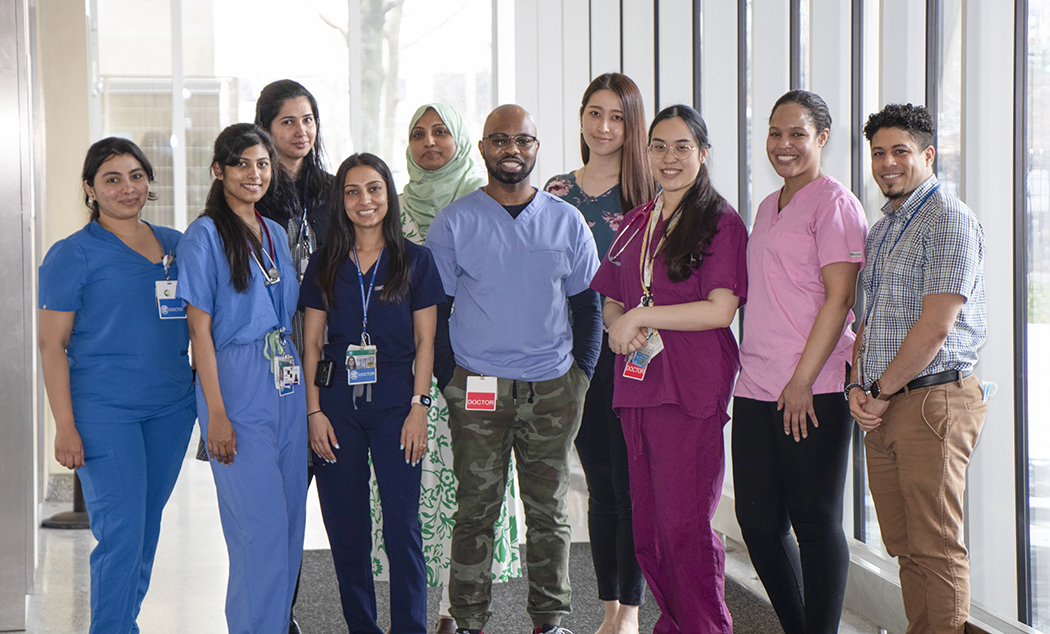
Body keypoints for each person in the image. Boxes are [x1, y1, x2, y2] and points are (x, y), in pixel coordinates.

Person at [425, 104, 602, 634]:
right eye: (499, 141)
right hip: (477, 387)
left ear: (536, 148)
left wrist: (579, 377)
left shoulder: (566, 219)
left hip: (552, 388)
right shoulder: (455, 221)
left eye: (522, 141)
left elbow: (588, 305)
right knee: (476, 509)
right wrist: (448, 379)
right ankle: (470, 620)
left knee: (548, 512)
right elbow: (433, 311)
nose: (511, 150)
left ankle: (549, 621)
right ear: (482, 149)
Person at [590, 104, 748, 634]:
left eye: (683, 146)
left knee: (684, 525)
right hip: (638, 386)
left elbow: (720, 309)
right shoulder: (636, 222)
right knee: (648, 529)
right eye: (659, 146)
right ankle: (677, 624)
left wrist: (640, 314)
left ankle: (707, 627)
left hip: (690, 387)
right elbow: (612, 298)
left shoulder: (720, 222)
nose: (669, 157)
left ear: (703, 154)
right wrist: (618, 324)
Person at [38, 137, 196, 634]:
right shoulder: (73, 254)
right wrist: (65, 426)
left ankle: (122, 624)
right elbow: (51, 345)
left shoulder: (176, 245)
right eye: (112, 178)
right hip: (105, 413)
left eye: (136, 176)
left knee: (144, 532)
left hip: (171, 410)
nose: (127, 188)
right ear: (90, 189)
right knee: (122, 533)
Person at [732, 90, 868, 634]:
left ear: (822, 139)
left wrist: (803, 379)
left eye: (797, 134)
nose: (784, 145)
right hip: (756, 384)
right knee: (759, 525)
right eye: (775, 134)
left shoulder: (835, 203)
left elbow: (840, 298)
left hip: (815, 388)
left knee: (814, 523)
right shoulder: (768, 206)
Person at [848, 103, 987, 634]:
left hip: (933, 401)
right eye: (878, 152)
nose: (887, 162)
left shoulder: (947, 219)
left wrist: (880, 390)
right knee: (904, 545)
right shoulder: (883, 229)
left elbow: (936, 327)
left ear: (928, 155)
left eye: (900, 151)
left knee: (936, 545)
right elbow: (872, 319)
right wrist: (857, 385)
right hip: (883, 403)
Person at [300, 152, 445, 634]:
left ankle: (410, 627)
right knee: (347, 530)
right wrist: (314, 412)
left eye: (375, 189)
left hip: (396, 409)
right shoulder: (324, 263)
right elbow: (313, 343)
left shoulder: (416, 260)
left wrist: (419, 408)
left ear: (389, 194)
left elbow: (427, 341)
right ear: (341, 201)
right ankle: (361, 626)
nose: (366, 200)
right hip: (336, 409)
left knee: (402, 529)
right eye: (353, 191)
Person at [396, 102, 523, 634]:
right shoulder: (391, 207)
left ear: (462, 139)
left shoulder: (488, 201)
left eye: (442, 131)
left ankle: (456, 609)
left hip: (479, 370)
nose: (430, 142)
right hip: (408, 373)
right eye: (419, 134)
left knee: (474, 487)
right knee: (416, 489)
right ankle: (413, 606)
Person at [177, 123, 307, 634]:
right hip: (234, 380)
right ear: (219, 171)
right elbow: (199, 333)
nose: (255, 174)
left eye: (262, 164)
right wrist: (215, 416)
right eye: (242, 164)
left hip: (286, 377)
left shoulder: (274, 232)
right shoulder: (205, 236)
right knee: (260, 533)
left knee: (291, 527)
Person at [544, 73, 655, 634]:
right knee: (598, 480)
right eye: (594, 113)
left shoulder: (652, 192)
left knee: (631, 482)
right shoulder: (557, 191)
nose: (604, 127)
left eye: (616, 116)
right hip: (570, 356)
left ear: (632, 123)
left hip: (633, 352)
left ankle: (630, 612)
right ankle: (608, 605)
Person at [253, 79, 332, 634]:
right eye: (287, 121)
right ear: (266, 127)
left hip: (330, 354)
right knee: (273, 501)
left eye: (307, 119)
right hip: (268, 355)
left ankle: (286, 610)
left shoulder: (337, 191)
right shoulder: (251, 191)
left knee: (308, 499)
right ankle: (273, 613)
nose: (299, 131)